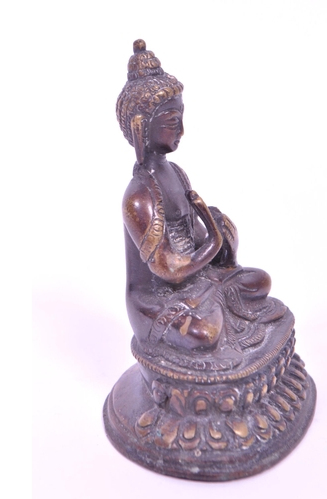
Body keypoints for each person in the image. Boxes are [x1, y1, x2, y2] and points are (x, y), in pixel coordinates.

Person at [116, 40, 285, 358]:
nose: (181, 129)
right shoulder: (138, 197)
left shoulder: (176, 174)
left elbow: (193, 239)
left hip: (197, 280)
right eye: (171, 122)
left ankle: (219, 308)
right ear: (141, 128)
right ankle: (217, 320)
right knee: (204, 333)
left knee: (258, 281)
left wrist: (219, 233)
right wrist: (213, 242)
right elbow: (169, 268)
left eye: (181, 117)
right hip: (156, 299)